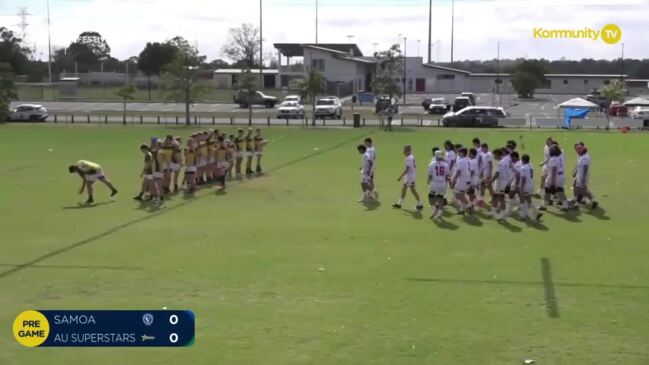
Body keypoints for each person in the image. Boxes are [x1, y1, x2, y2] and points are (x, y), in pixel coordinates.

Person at [393, 145, 423, 211]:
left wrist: (400, 177)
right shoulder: (411, 157)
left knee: (412, 190)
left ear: (407, 150)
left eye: (404, 150)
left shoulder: (409, 158)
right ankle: (399, 203)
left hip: (410, 176)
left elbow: (407, 169)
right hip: (409, 176)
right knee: (404, 189)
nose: (403, 151)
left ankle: (420, 204)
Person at [540, 144, 570, 211]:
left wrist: (552, 183)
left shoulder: (553, 159)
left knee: (547, 191)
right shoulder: (559, 158)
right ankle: (565, 206)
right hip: (561, 176)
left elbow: (553, 170)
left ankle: (544, 206)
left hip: (555, 177)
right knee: (560, 191)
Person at [572, 144, 598, 209]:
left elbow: (585, 168)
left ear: (582, 149)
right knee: (582, 189)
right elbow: (579, 166)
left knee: (581, 189)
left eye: (579, 149)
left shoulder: (585, 158)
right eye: (577, 149)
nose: (577, 151)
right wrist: (575, 172)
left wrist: (583, 178)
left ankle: (577, 204)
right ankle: (593, 201)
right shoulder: (581, 156)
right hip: (580, 175)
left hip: (583, 176)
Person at [519, 154, 543, 221]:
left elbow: (523, 179)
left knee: (522, 200)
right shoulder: (530, 166)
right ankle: (537, 213)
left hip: (526, 185)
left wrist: (521, 188)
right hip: (531, 184)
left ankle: (523, 216)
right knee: (528, 200)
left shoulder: (523, 168)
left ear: (522, 160)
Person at [428, 150, 449, 219]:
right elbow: (446, 176)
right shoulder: (446, 165)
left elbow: (430, 175)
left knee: (431, 197)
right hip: (442, 183)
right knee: (440, 198)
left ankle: (434, 210)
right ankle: (440, 213)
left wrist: (428, 181)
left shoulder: (432, 164)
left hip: (434, 183)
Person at [450, 147, 471, 214]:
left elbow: (458, 172)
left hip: (462, 180)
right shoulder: (467, 160)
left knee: (458, 195)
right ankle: (462, 210)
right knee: (461, 194)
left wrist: (453, 180)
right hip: (466, 179)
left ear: (462, 153)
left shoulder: (462, 161)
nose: (458, 153)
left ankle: (468, 206)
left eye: (459, 152)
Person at [490, 148, 508, 220]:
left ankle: (503, 215)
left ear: (497, 154)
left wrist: (490, 181)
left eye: (494, 155)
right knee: (494, 197)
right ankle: (493, 213)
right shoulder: (504, 161)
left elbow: (497, 174)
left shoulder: (501, 163)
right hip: (501, 182)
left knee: (501, 198)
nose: (493, 156)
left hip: (501, 183)